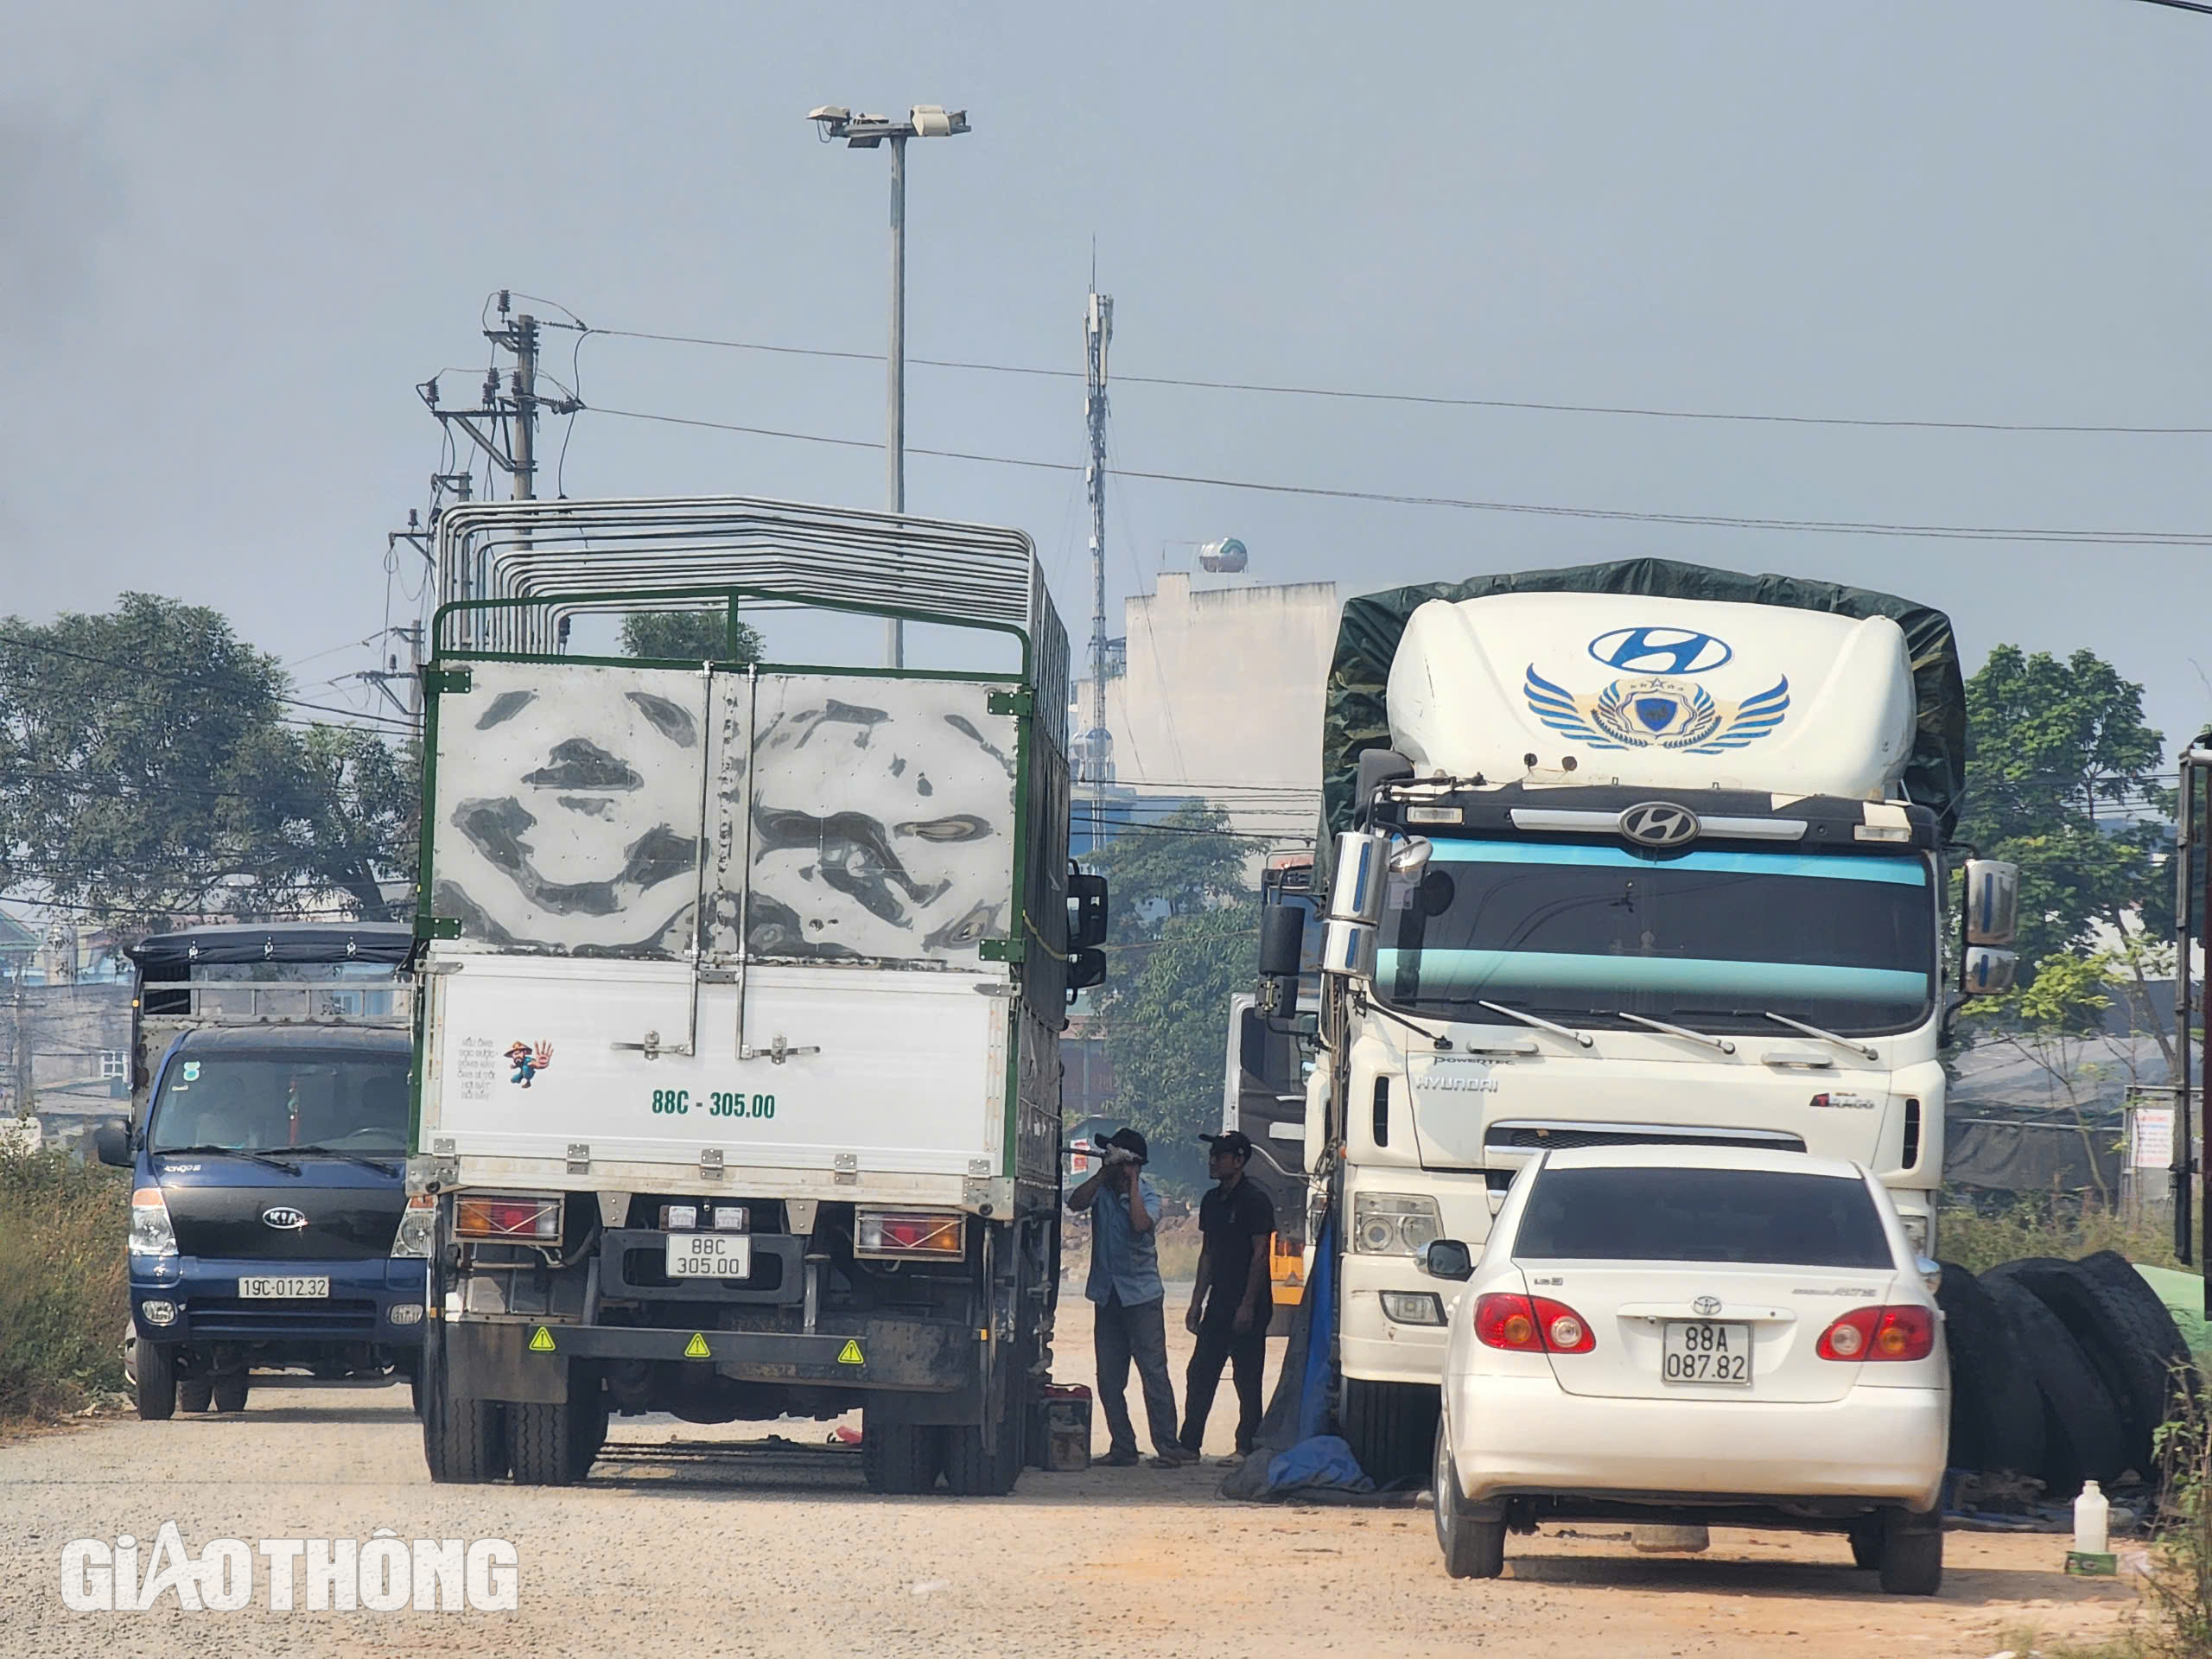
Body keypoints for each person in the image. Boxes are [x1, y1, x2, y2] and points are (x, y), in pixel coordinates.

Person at [1067, 1127, 1194, 1467]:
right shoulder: (1100, 1193)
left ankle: (1167, 1446)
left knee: (1153, 1373)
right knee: (1109, 1377)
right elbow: (1074, 1202)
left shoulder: (1149, 1195)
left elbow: (1140, 1224)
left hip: (1141, 1297)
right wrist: (1103, 1175)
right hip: (1107, 1295)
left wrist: (1131, 1182)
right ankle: (1123, 1446)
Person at [1179, 1130, 1276, 1464]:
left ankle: (1246, 1445)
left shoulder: (1255, 1201)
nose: (1213, 1162)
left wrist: (1248, 1305)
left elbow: (1260, 1254)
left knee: (1247, 1377)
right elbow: (1207, 1255)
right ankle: (1189, 1445)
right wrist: (1196, 1302)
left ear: (1239, 1161)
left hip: (1250, 1302)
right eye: (1212, 1155)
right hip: (1219, 1301)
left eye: (1220, 1156)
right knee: (1201, 1372)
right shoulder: (1211, 1201)